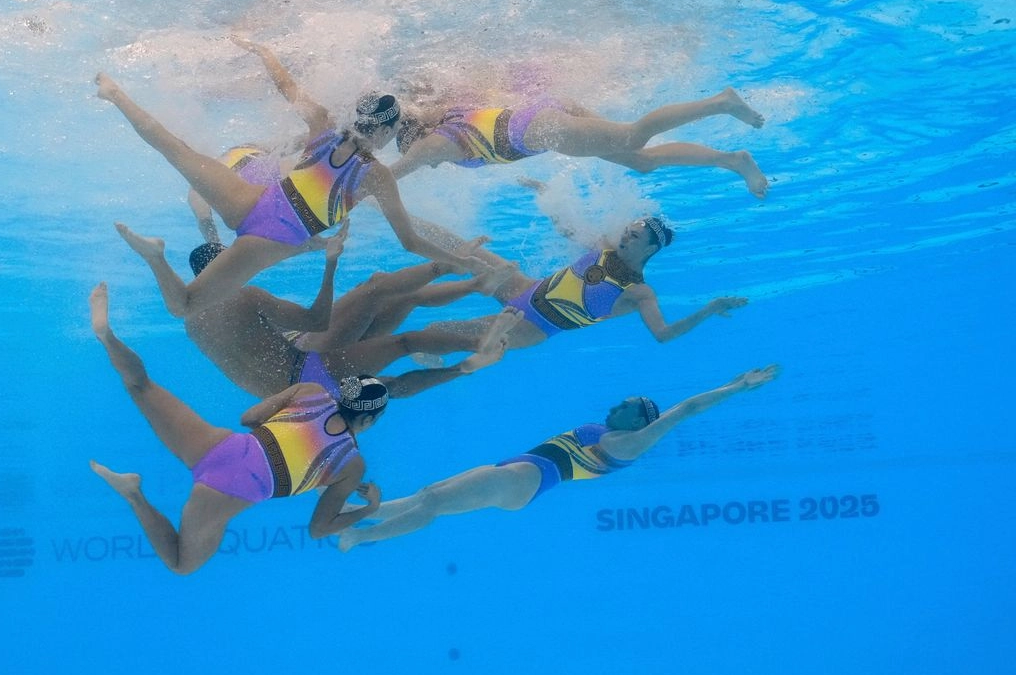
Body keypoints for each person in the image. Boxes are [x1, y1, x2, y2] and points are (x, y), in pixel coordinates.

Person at [95, 39, 487, 317]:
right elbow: (410, 241)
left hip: (249, 200)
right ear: (385, 132)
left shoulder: (322, 127)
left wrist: (263, 52)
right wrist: (459, 260)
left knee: (173, 148)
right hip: (269, 241)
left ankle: (115, 95)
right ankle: (155, 255)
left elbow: (286, 86)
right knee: (184, 306)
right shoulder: (376, 175)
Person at [87, 281, 390, 574]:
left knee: (141, 385)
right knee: (181, 564)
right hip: (225, 494)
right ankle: (133, 494)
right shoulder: (352, 465)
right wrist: (369, 508)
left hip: (220, 445)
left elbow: (248, 419)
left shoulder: (310, 392)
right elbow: (318, 529)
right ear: (368, 420)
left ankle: (105, 335)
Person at [337, 365, 780, 551]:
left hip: (526, 479)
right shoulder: (608, 430)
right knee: (430, 492)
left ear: (639, 418)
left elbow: (685, 410)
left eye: (623, 406)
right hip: (518, 470)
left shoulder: (628, 443)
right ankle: (357, 514)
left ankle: (360, 538)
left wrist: (738, 386)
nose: (613, 408)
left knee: (434, 504)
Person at [103, 220, 523, 402]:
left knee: (387, 380)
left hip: (286, 391)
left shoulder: (194, 317)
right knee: (384, 300)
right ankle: (463, 283)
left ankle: (467, 354)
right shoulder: (243, 295)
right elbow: (318, 322)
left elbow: (212, 261)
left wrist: (205, 224)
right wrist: (331, 262)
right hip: (305, 368)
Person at [412, 213, 747, 350]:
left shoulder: (640, 293)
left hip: (533, 326)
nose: (625, 237)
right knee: (461, 247)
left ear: (650, 248)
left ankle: (426, 352)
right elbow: (568, 230)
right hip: (525, 288)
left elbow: (664, 335)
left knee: (436, 333)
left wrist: (710, 308)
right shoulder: (605, 246)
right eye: (627, 231)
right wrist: (546, 196)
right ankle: (403, 217)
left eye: (633, 237)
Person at [387, 87, 769, 198]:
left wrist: (334, 213)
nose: (432, 164)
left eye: (416, 152)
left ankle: (719, 103)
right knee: (641, 160)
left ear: (416, 140)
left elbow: (386, 178)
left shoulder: (435, 144)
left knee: (631, 135)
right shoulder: (447, 115)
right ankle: (732, 160)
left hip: (546, 130)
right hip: (544, 114)